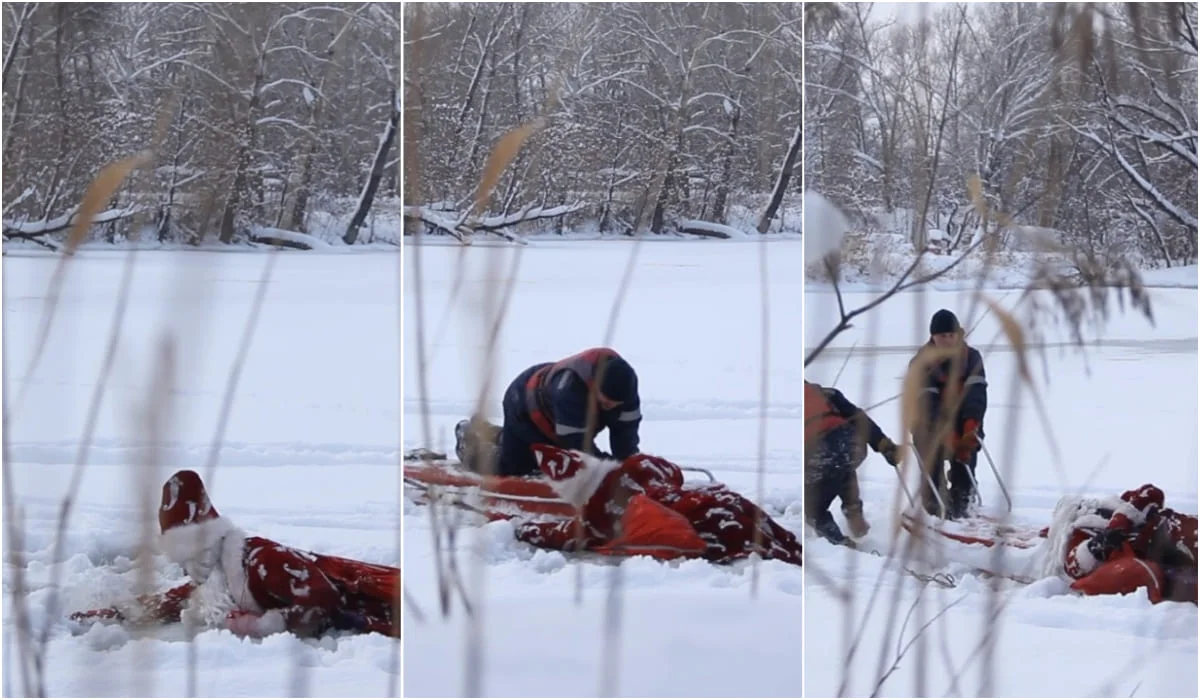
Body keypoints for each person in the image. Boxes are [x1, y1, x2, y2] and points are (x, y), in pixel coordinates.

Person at [69, 470, 401, 638]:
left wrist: (260, 625)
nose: (188, 570)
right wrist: (111, 614)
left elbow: (322, 597)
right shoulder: (219, 577)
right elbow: (173, 601)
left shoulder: (262, 560)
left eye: (190, 556)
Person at [513, 445, 804, 566]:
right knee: (766, 532)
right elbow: (671, 470)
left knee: (736, 539)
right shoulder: (638, 466)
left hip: (699, 518)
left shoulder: (597, 514)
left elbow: (569, 534)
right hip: (717, 500)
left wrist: (526, 528)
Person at [456, 347, 642, 477]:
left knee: (543, 456)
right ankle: (468, 442)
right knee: (514, 468)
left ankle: (487, 430)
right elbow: (578, 448)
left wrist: (629, 467)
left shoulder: (626, 390)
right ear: (594, 386)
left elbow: (626, 439)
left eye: (616, 404)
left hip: (558, 419)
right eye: (606, 401)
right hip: (523, 407)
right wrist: (610, 469)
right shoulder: (570, 390)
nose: (611, 406)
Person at [1058, 484, 1197, 604]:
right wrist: (1100, 543)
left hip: (1174, 530)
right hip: (1163, 557)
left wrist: (1121, 520)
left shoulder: (1122, 504)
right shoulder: (1078, 534)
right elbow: (1074, 566)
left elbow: (1152, 492)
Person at [908, 309, 987, 520]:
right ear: (933, 336)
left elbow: (977, 394)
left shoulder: (972, 357)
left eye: (951, 335)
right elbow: (927, 404)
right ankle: (933, 509)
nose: (948, 340)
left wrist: (971, 426)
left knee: (965, 461)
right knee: (931, 468)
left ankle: (963, 503)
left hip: (963, 422)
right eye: (942, 336)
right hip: (928, 426)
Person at [804, 380, 901, 546]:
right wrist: (884, 445)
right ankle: (855, 515)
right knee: (842, 466)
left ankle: (839, 545)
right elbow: (859, 419)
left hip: (821, 451)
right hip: (853, 443)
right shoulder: (828, 393)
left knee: (814, 510)